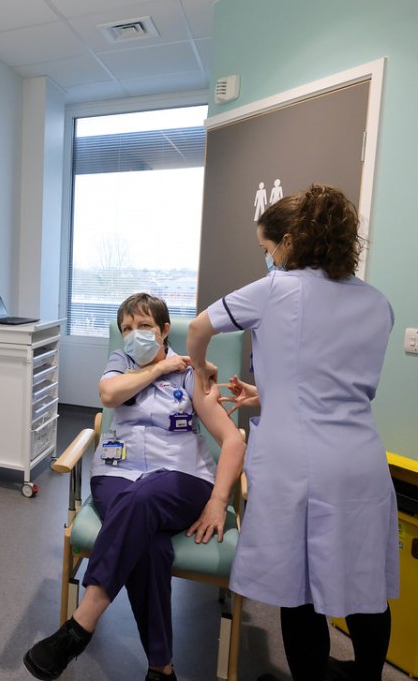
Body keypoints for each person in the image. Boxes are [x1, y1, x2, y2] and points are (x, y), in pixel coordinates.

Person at [187, 184, 397, 681]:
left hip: (299, 470)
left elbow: (198, 328)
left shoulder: (276, 288)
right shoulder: (377, 302)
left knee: (301, 592)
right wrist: (269, 396)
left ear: (288, 242)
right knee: (365, 586)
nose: (268, 261)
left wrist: (200, 370)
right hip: (362, 463)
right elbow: (332, 383)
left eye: (267, 251)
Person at [24, 293, 245, 681]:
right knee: (149, 543)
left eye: (144, 327)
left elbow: (233, 440)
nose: (133, 336)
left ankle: (80, 625)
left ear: (163, 331)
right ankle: (162, 668)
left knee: (141, 499)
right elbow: (109, 394)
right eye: (126, 329)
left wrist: (218, 501)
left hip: (181, 478)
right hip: (116, 473)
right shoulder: (121, 364)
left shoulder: (193, 374)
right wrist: (158, 370)